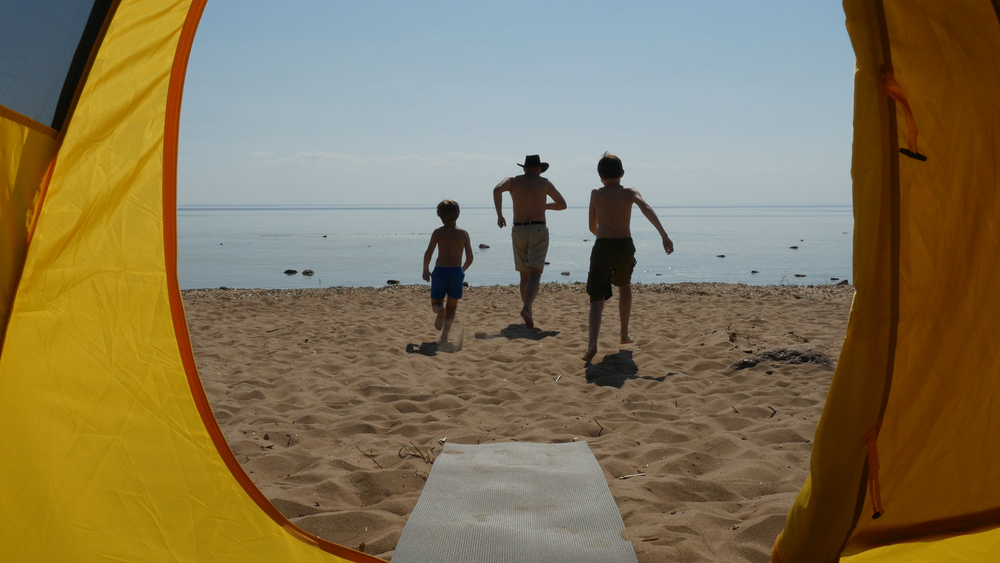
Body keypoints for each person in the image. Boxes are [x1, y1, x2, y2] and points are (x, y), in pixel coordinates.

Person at [583, 152, 674, 363]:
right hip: (624, 245)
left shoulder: (596, 193)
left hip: (603, 244)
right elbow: (646, 208)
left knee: (596, 300)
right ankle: (624, 334)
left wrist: (603, 236)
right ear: (622, 173)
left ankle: (592, 344)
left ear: (600, 175)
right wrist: (664, 235)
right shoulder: (630, 192)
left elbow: (591, 226)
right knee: (624, 286)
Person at [493, 154, 567, 329]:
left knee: (524, 275)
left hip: (518, 228)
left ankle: (529, 311)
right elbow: (562, 204)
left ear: (524, 168)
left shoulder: (513, 181)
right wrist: (544, 205)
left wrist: (500, 215)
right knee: (535, 274)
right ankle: (527, 308)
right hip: (538, 228)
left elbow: (497, 190)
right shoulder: (545, 183)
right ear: (538, 168)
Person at [422, 200, 474, 347]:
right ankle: (444, 336)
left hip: (440, 271)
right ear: (457, 214)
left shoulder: (438, 233)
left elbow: (429, 253)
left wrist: (425, 269)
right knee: (452, 307)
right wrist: (461, 270)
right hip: (456, 272)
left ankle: (440, 311)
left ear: (439, 215)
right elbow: (470, 258)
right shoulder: (463, 234)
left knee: (436, 303)